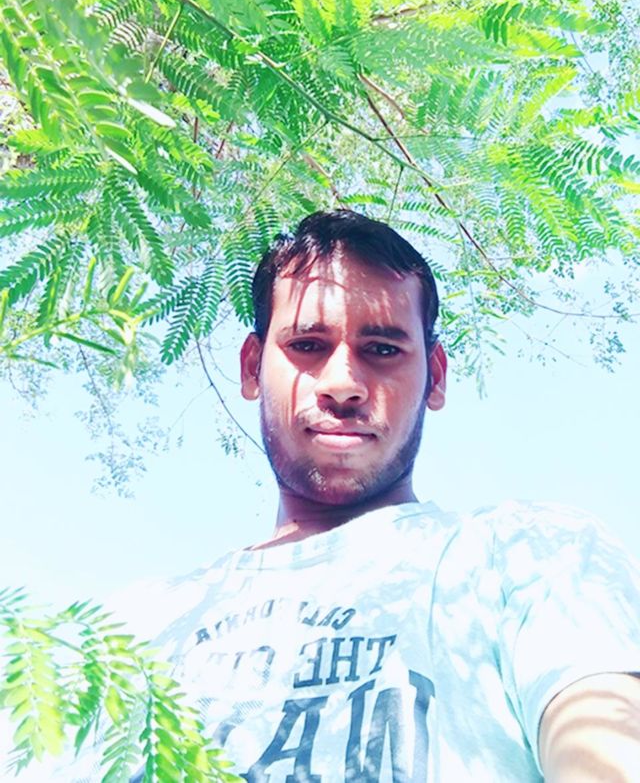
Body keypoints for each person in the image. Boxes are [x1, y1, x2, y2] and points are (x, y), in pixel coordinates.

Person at [66, 209, 640, 781]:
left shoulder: (532, 554)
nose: (342, 385)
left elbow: (606, 748)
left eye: (383, 349)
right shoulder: (129, 625)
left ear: (435, 376)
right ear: (252, 367)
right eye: (307, 344)